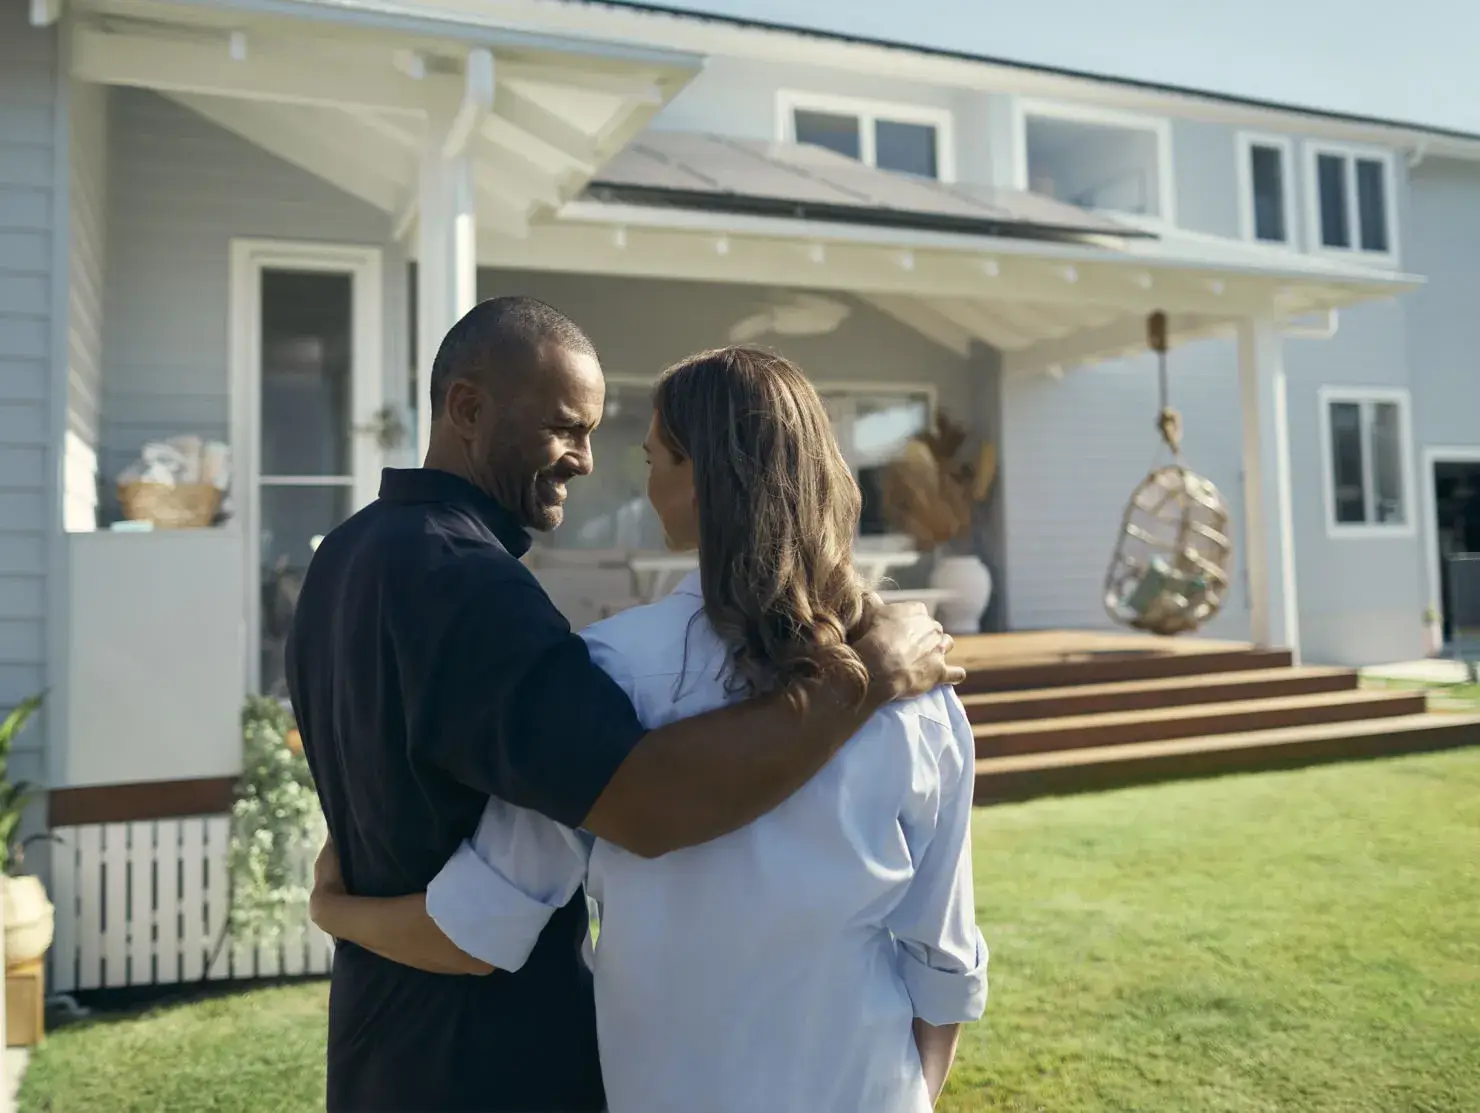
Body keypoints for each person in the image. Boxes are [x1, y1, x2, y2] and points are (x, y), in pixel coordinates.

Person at [286, 300, 964, 1113]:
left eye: (640, 453)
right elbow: (644, 799)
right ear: (467, 408)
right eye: (566, 429)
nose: (584, 460)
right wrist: (868, 675)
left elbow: (480, 913)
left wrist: (337, 909)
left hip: (389, 1047)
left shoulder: (346, 558)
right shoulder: (474, 586)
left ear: (697, 480)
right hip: (487, 1069)